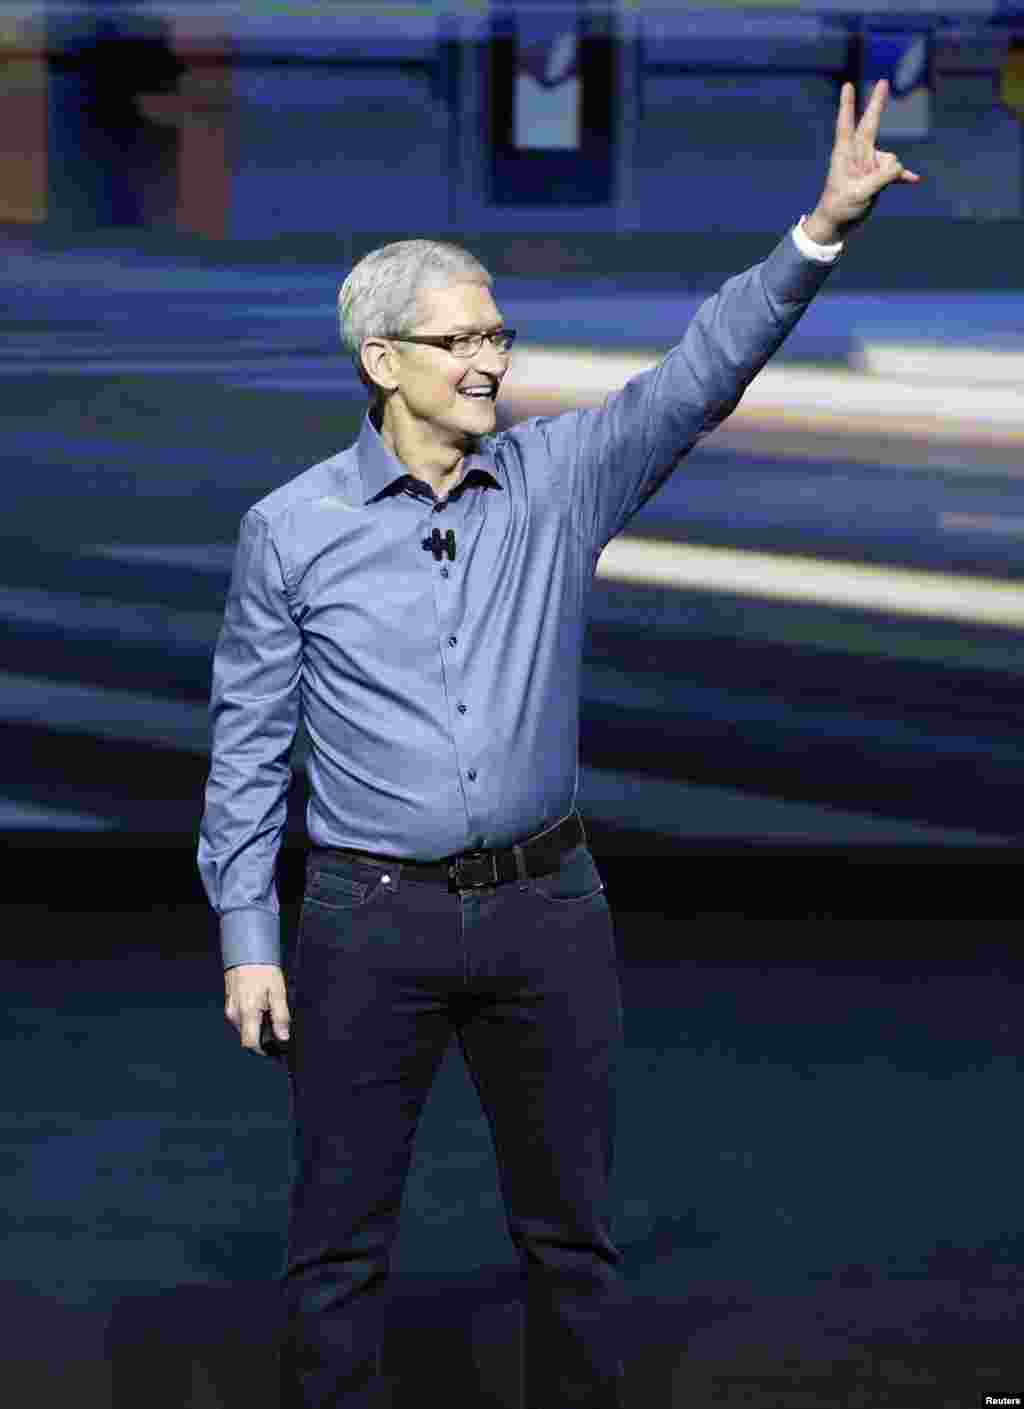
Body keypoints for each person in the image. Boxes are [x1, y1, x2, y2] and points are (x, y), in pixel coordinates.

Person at [197, 80, 917, 1408]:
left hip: (549, 915)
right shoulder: (289, 530)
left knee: (573, 1242)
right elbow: (247, 745)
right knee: (338, 1250)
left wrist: (819, 231)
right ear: (382, 362)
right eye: (459, 339)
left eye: (498, 334)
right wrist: (250, 935)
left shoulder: (557, 479)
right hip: (368, 920)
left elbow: (698, 376)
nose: (490, 360)